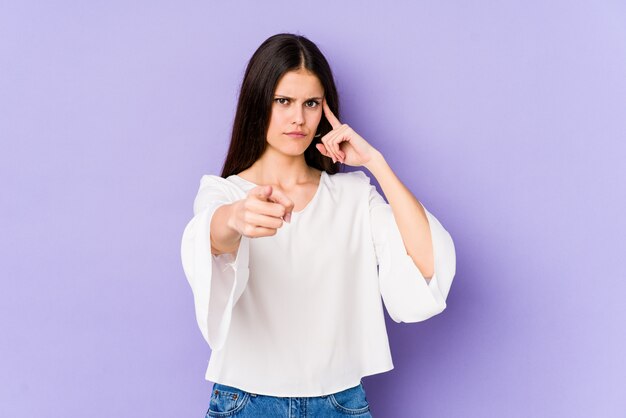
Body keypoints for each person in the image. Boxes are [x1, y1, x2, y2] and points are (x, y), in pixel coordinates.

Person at [180, 33, 456, 418]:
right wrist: (237, 217)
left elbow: (427, 265)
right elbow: (209, 235)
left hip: (340, 404)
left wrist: (376, 163)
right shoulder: (225, 194)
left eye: (311, 103)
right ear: (258, 104)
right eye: (283, 101)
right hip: (245, 403)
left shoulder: (353, 195)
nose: (298, 118)